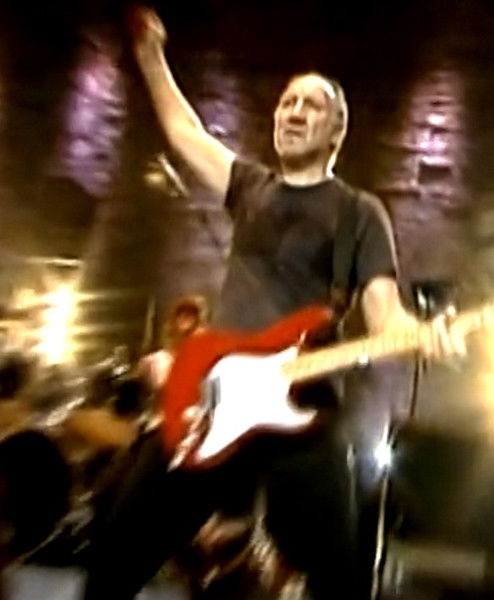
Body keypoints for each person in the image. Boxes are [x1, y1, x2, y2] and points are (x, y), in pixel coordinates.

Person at [82, 7, 464, 600]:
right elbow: (185, 133)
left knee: (340, 580)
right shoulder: (250, 187)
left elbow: (385, 317)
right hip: (214, 402)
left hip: (301, 412)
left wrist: (425, 335)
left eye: (311, 105)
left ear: (336, 132)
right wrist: (152, 57)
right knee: (112, 561)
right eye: (287, 102)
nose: (293, 111)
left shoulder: (359, 213)